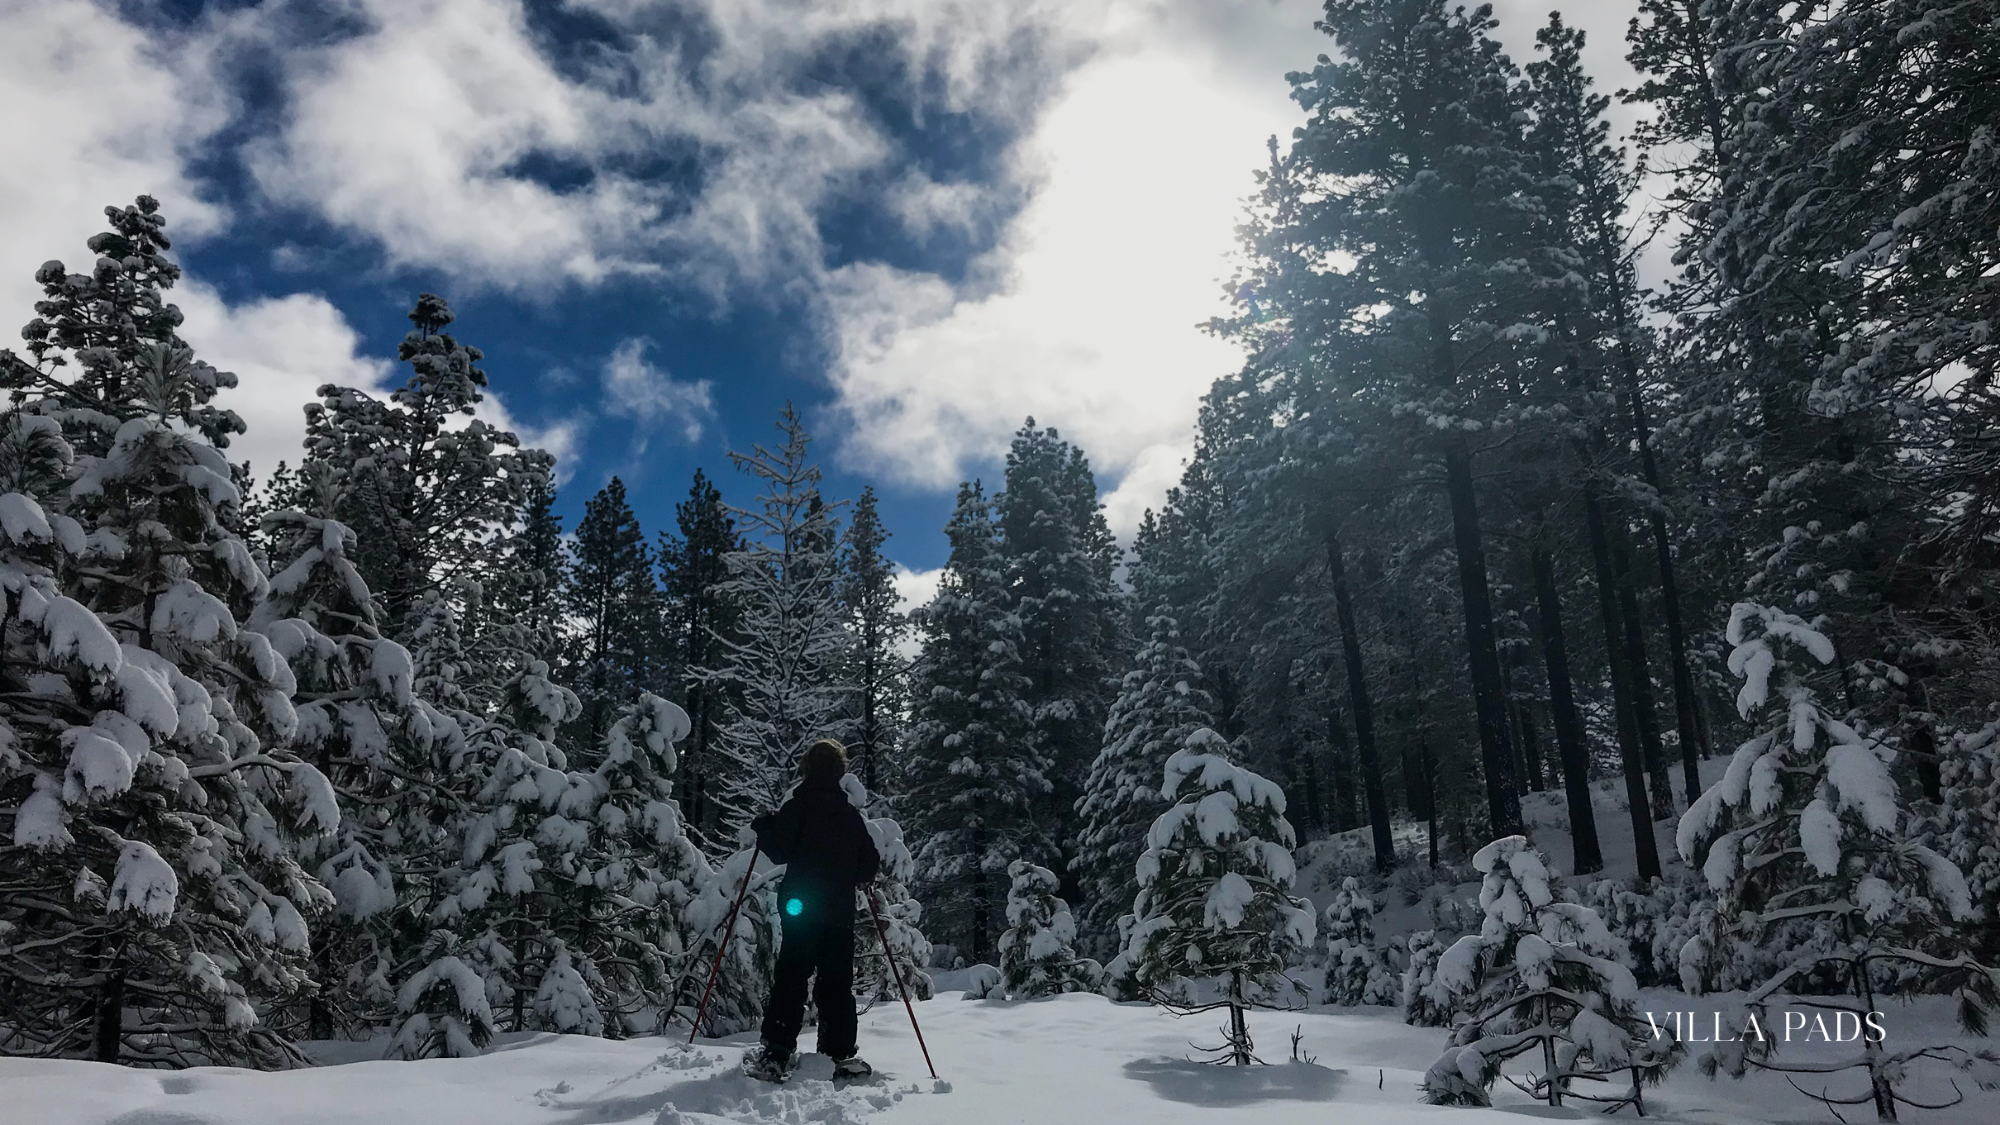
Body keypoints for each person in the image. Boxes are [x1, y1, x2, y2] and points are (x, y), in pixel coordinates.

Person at [743, 738, 881, 1081]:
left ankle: (776, 1051)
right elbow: (868, 867)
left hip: (800, 908)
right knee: (836, 983)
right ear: (838, 773)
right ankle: (838, 1054)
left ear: (806, 769)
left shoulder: (797, 808)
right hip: (837, 914)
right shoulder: (850, 817)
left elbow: (780, 849)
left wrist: (763, 826)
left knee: (791, 976)